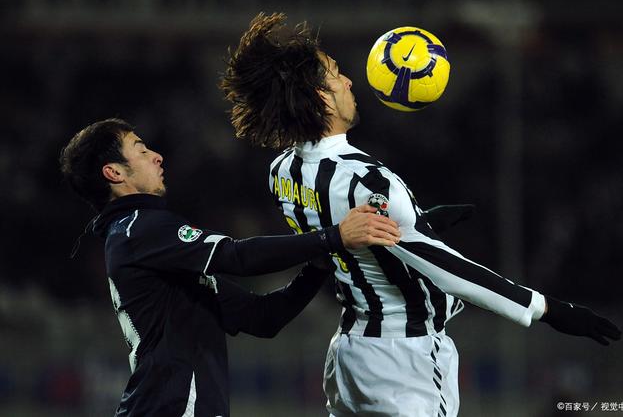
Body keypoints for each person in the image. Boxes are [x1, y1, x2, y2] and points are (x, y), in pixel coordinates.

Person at [220, 13, 622, 417]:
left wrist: (418, 221)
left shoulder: (282, 171)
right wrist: (547, 309)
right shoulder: (368, 180)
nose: (349, 82)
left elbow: (346, 236)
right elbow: (447, 270)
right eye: (337, 74)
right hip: (404, 358)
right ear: (322, 98)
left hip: (349, 352)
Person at [59, 118, 402, 417]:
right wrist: (332, 237)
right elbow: (236, 257)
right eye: (140, 149)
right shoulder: (139, 229)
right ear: (114, 172)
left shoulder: (152, 247)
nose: (156, 155)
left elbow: (264, 317)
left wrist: (318, 265)